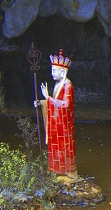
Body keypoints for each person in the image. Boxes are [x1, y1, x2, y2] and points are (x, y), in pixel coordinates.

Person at [34, 49, 79, 183]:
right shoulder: (58, 84)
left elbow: (66, 105)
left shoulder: (67, 85)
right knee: (56, 147)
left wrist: (48, 97)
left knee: (64, 147)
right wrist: (42, 102)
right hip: (56, 123)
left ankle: (69, 172)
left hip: (64, 125)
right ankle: (57, 170)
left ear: (63, 72)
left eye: (54, 71)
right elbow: (55, 101)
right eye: (52, 70)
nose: (52, 73)